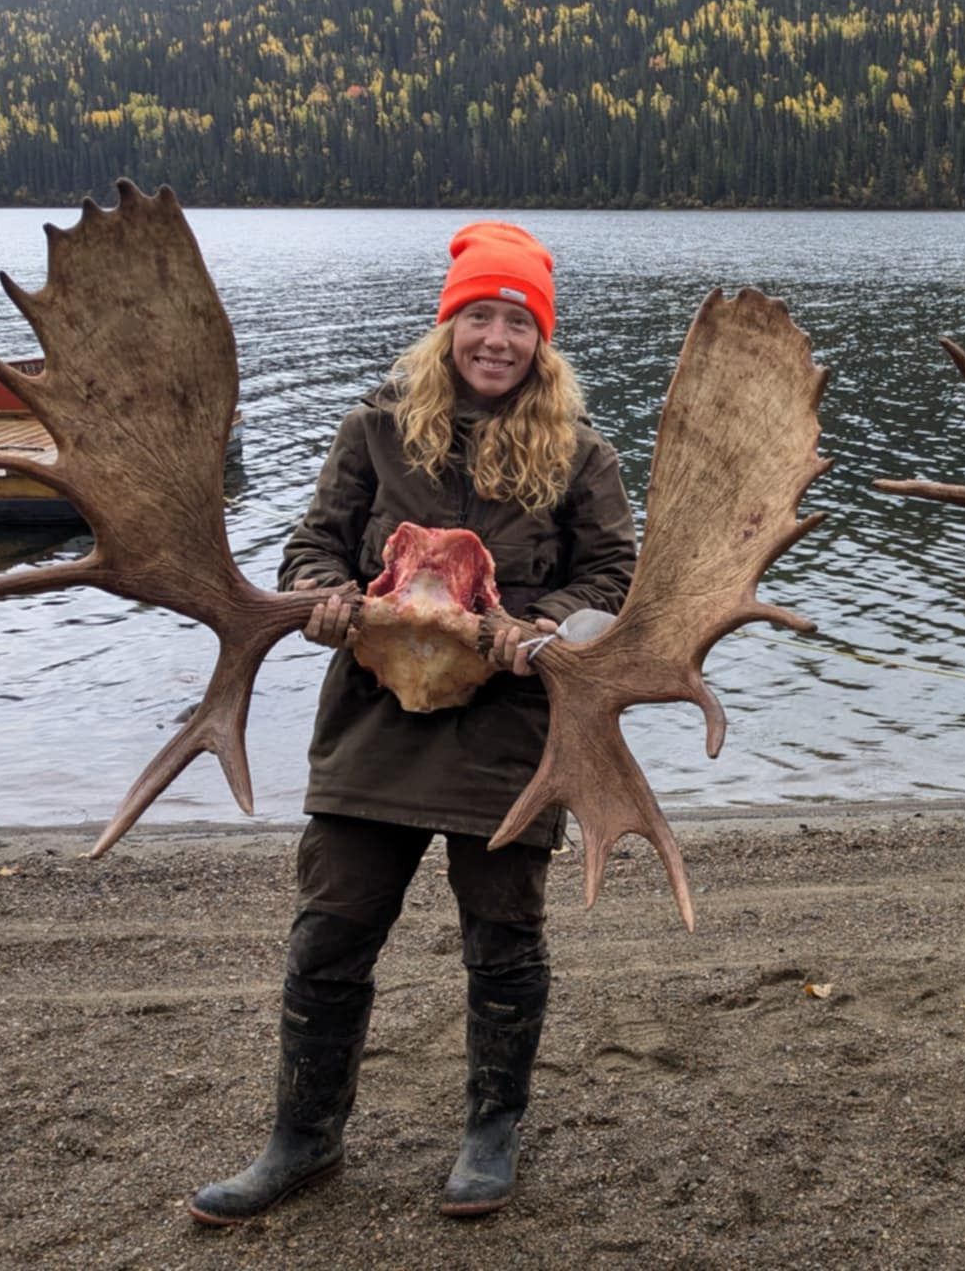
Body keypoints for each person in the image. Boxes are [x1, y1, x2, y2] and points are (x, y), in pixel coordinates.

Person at [188, 221, 637, 1225]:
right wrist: (324, 596)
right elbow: (315, 544)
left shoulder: (582, 454)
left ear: (540, 342)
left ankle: (490, 1132)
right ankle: (301, 1139)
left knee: (504, 940)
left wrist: (540, 629)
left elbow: (614, 577)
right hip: (373, 726)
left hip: (515, 729)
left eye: (517, 323)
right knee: (329, 938)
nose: (497, 338)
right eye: (479, 316)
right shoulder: (375, 430)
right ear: (448, 328)